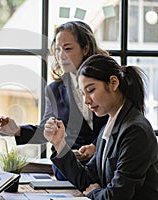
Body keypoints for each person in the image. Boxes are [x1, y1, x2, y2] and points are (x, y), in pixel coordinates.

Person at [0, 21, 109, 179]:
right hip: (68, 168)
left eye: (68, 48)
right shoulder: (54, 90)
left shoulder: (109, 83)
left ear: (85, 49)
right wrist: (17, 130)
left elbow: (119, 123)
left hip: (104, 164)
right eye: (57, 49)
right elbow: (47, 131)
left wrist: (97, 147)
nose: (61, 55)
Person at [44, 54, 158, 199]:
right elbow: (87, 179)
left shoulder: (135, 131)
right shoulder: (109, 126)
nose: (86, 101)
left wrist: (93, 193)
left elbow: (116, 196)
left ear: (113, 83)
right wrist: (59, 143)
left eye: (91, 90)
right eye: (83, 93)